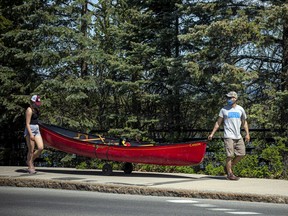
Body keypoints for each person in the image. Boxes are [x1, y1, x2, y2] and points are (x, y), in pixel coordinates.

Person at [208, 91, 250, 180]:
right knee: (229, 155)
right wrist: (212, 134)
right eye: (227, 98)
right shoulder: (224, 109)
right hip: (228, 136)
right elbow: (218, 123)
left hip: (238, 136)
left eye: (230, 98)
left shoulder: (240, 109)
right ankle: (230, 174)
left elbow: (244, 122)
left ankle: (228, 167)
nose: (228, 99)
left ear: (235, 98)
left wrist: (247, 134)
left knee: (242, 154)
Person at [24, 95, 44, 174]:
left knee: (40, 148)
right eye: (36, 102)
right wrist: (31, 134)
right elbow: (27, 123)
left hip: (36, 129)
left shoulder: (36, 109)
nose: (37, 104)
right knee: (31, 150)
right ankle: (30, 166)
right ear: (32, 102)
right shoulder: (29, 110)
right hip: (30, 130)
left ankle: (29, 160)